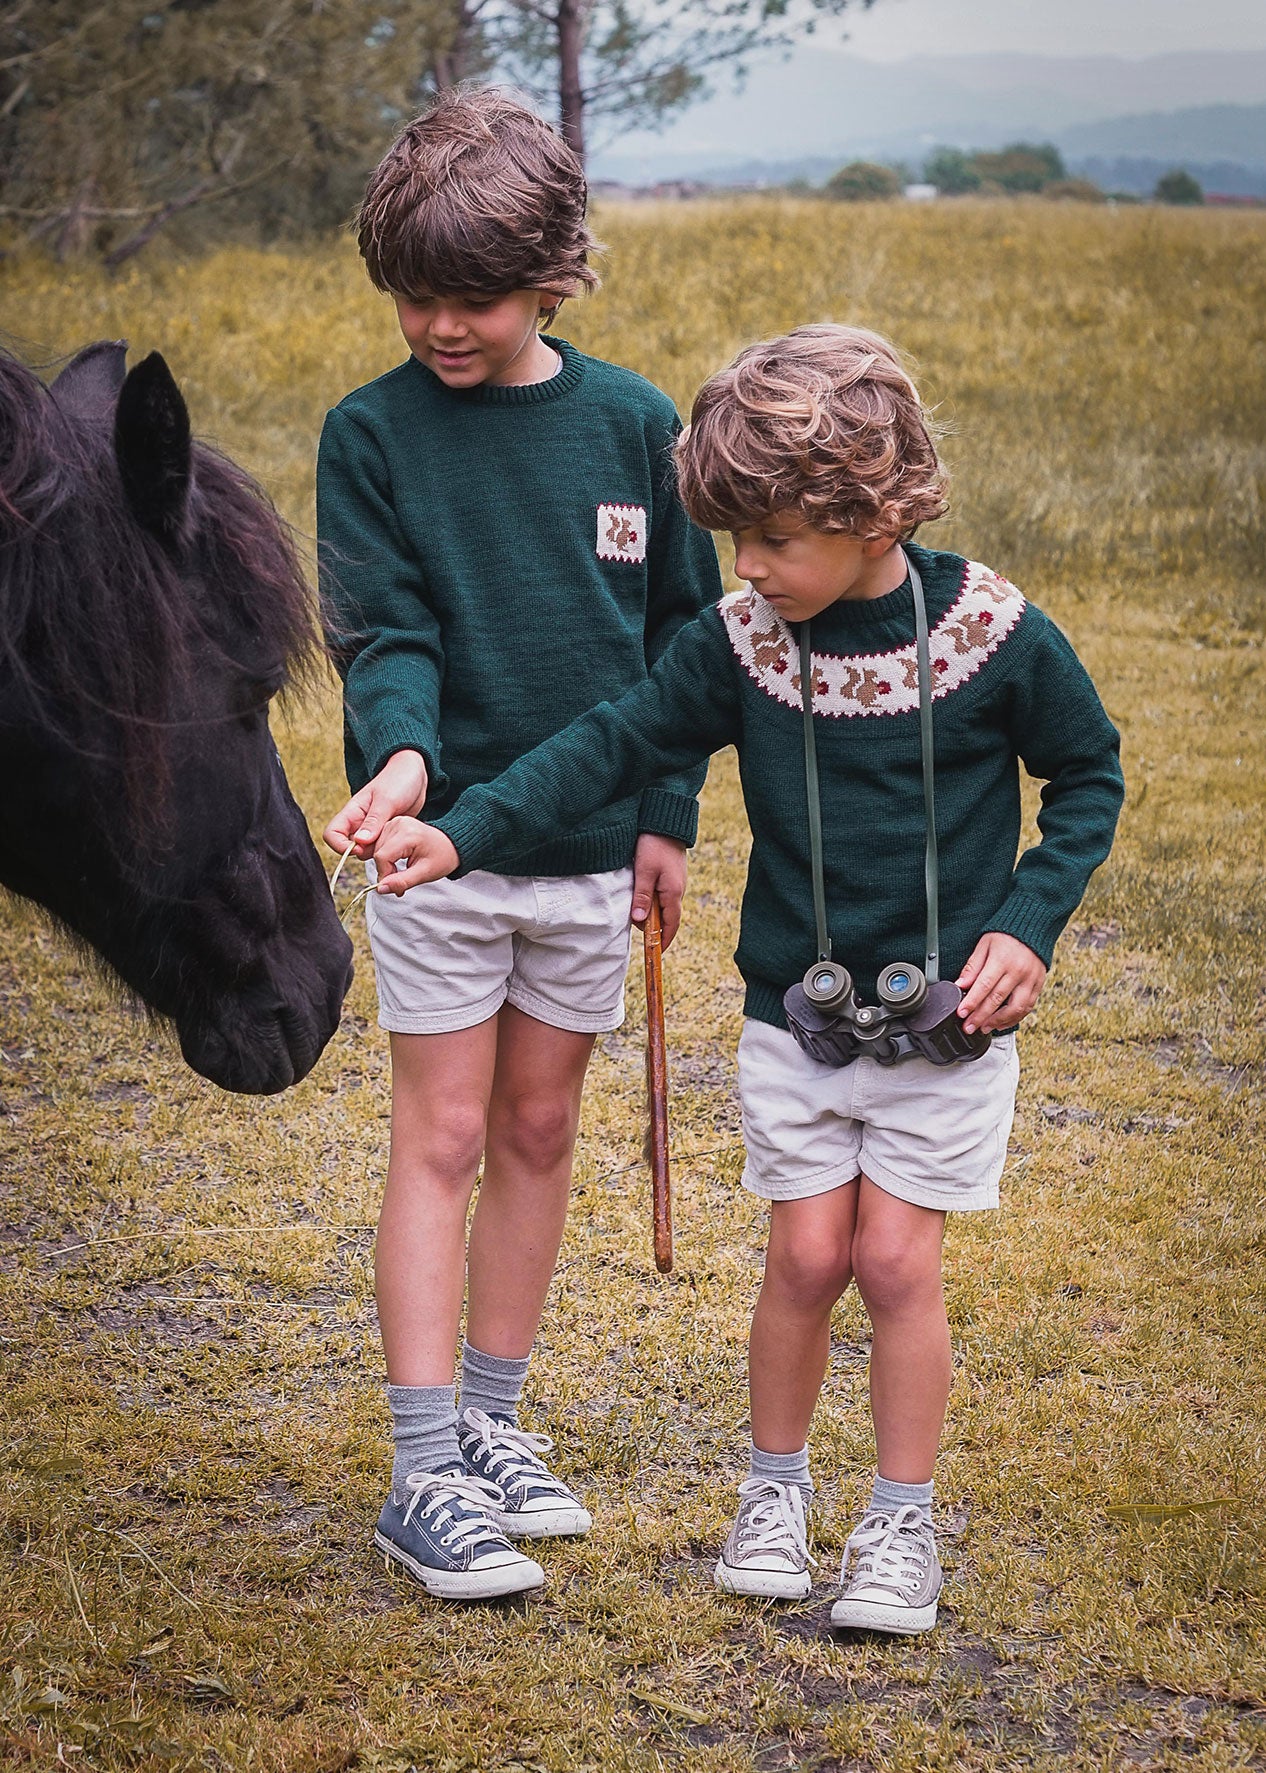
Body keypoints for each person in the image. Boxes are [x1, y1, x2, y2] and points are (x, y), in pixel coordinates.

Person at [365, 323, 1125, 1633]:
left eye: (771, 540)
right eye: (734, 542)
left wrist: (1028, 924)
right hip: (796, 1021)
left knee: (894, 1263)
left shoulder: (992, 632)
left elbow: (1088, 776)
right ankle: (772, 1493)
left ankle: (897, 1525)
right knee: (807, 1255)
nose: (748, 568)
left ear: (871, 512)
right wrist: (465, 827)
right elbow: (612, 742)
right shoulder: (743, 638)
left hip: (948, 1028)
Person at [318, 87, 722, 1602]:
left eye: (472, 296)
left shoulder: (630, 425)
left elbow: (683, 643)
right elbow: (385, 635)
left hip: (588, 860)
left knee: (539, 1131)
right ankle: (421, 1475)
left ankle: (490, 1423)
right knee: (438, 1135)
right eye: (414, 293)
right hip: (439, 856)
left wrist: (665, 820)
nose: (438, 323)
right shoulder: (368, 436)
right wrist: (405, 767)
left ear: (553, 272)